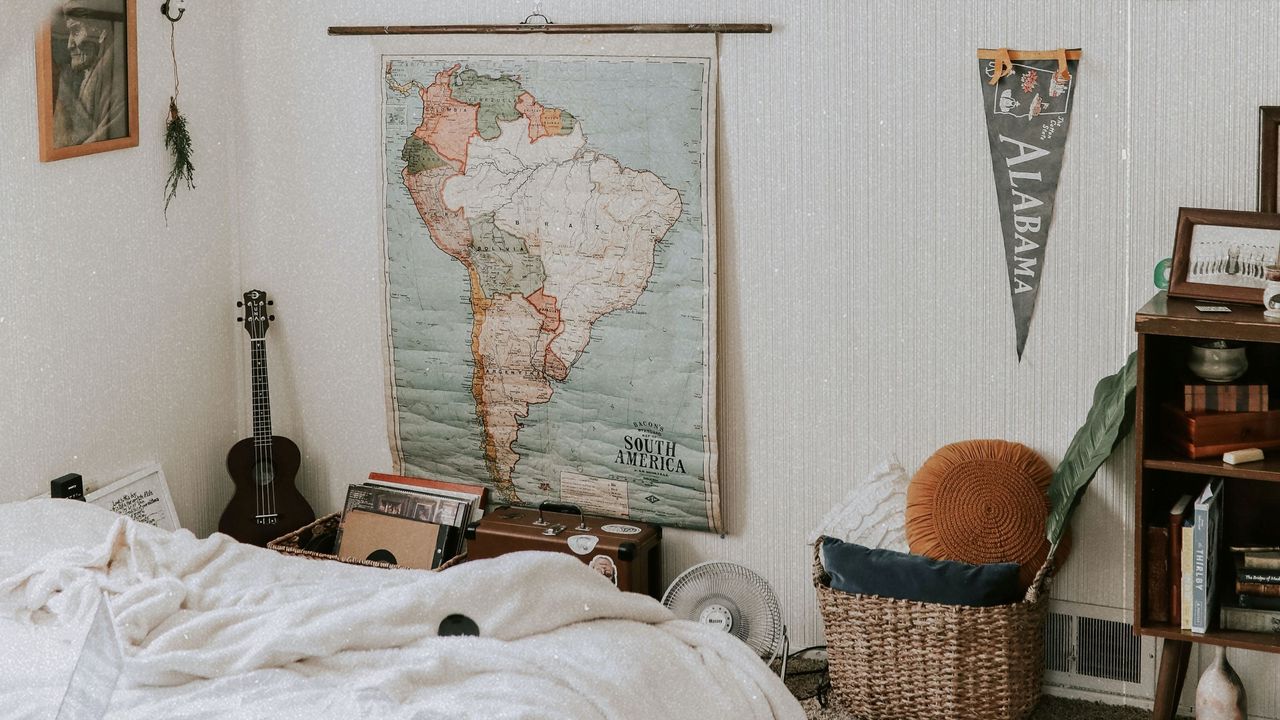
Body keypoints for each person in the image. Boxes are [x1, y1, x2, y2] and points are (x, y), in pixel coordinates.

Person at [52, 0, 128, 147]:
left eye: (75, 31)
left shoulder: (118, 84)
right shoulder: (89, 76)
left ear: (102, 33)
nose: (69, 45)